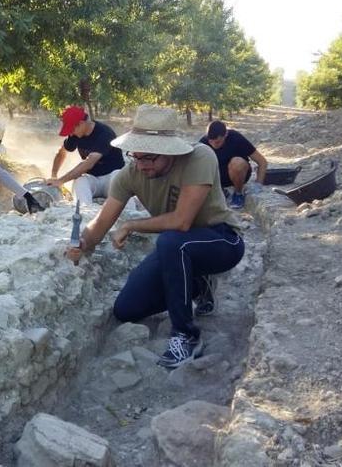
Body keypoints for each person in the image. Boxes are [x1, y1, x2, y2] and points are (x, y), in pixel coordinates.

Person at [67, 105, 245, 369]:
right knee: (126, 309)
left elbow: (182, 221)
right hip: (177, 248)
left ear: (169, 151)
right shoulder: (133, 172)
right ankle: (198, 285)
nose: (140, 165)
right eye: (135, 156)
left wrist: (131, 225)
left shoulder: (200, 156)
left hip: (220, 240)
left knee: (170, 240)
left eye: (148, 158)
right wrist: (81, 244)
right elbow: (102, 221)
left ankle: (185, 336)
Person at [46, 105, 125, 205]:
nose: (70, 134)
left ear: (81, 123)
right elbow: (62, 152)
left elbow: (89, 163)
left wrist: (61, 180)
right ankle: (84, 211)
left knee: (118, 177)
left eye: (71, 129)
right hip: (93, 179)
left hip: (111, 178)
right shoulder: (75, 135)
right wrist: (54, 175)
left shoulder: (105, 134)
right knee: (79, 181)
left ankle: (127, 211)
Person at [199, 120, 268, 209]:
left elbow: (262, 161)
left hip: (238, 175)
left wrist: (258, 185)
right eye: (210, 142)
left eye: (217, 142)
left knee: (237, 162)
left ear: (226, 135)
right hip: (216, 178)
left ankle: (238, 194)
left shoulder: (236, 138)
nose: (213, 145)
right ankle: (219, 191)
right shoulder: (203, 143)